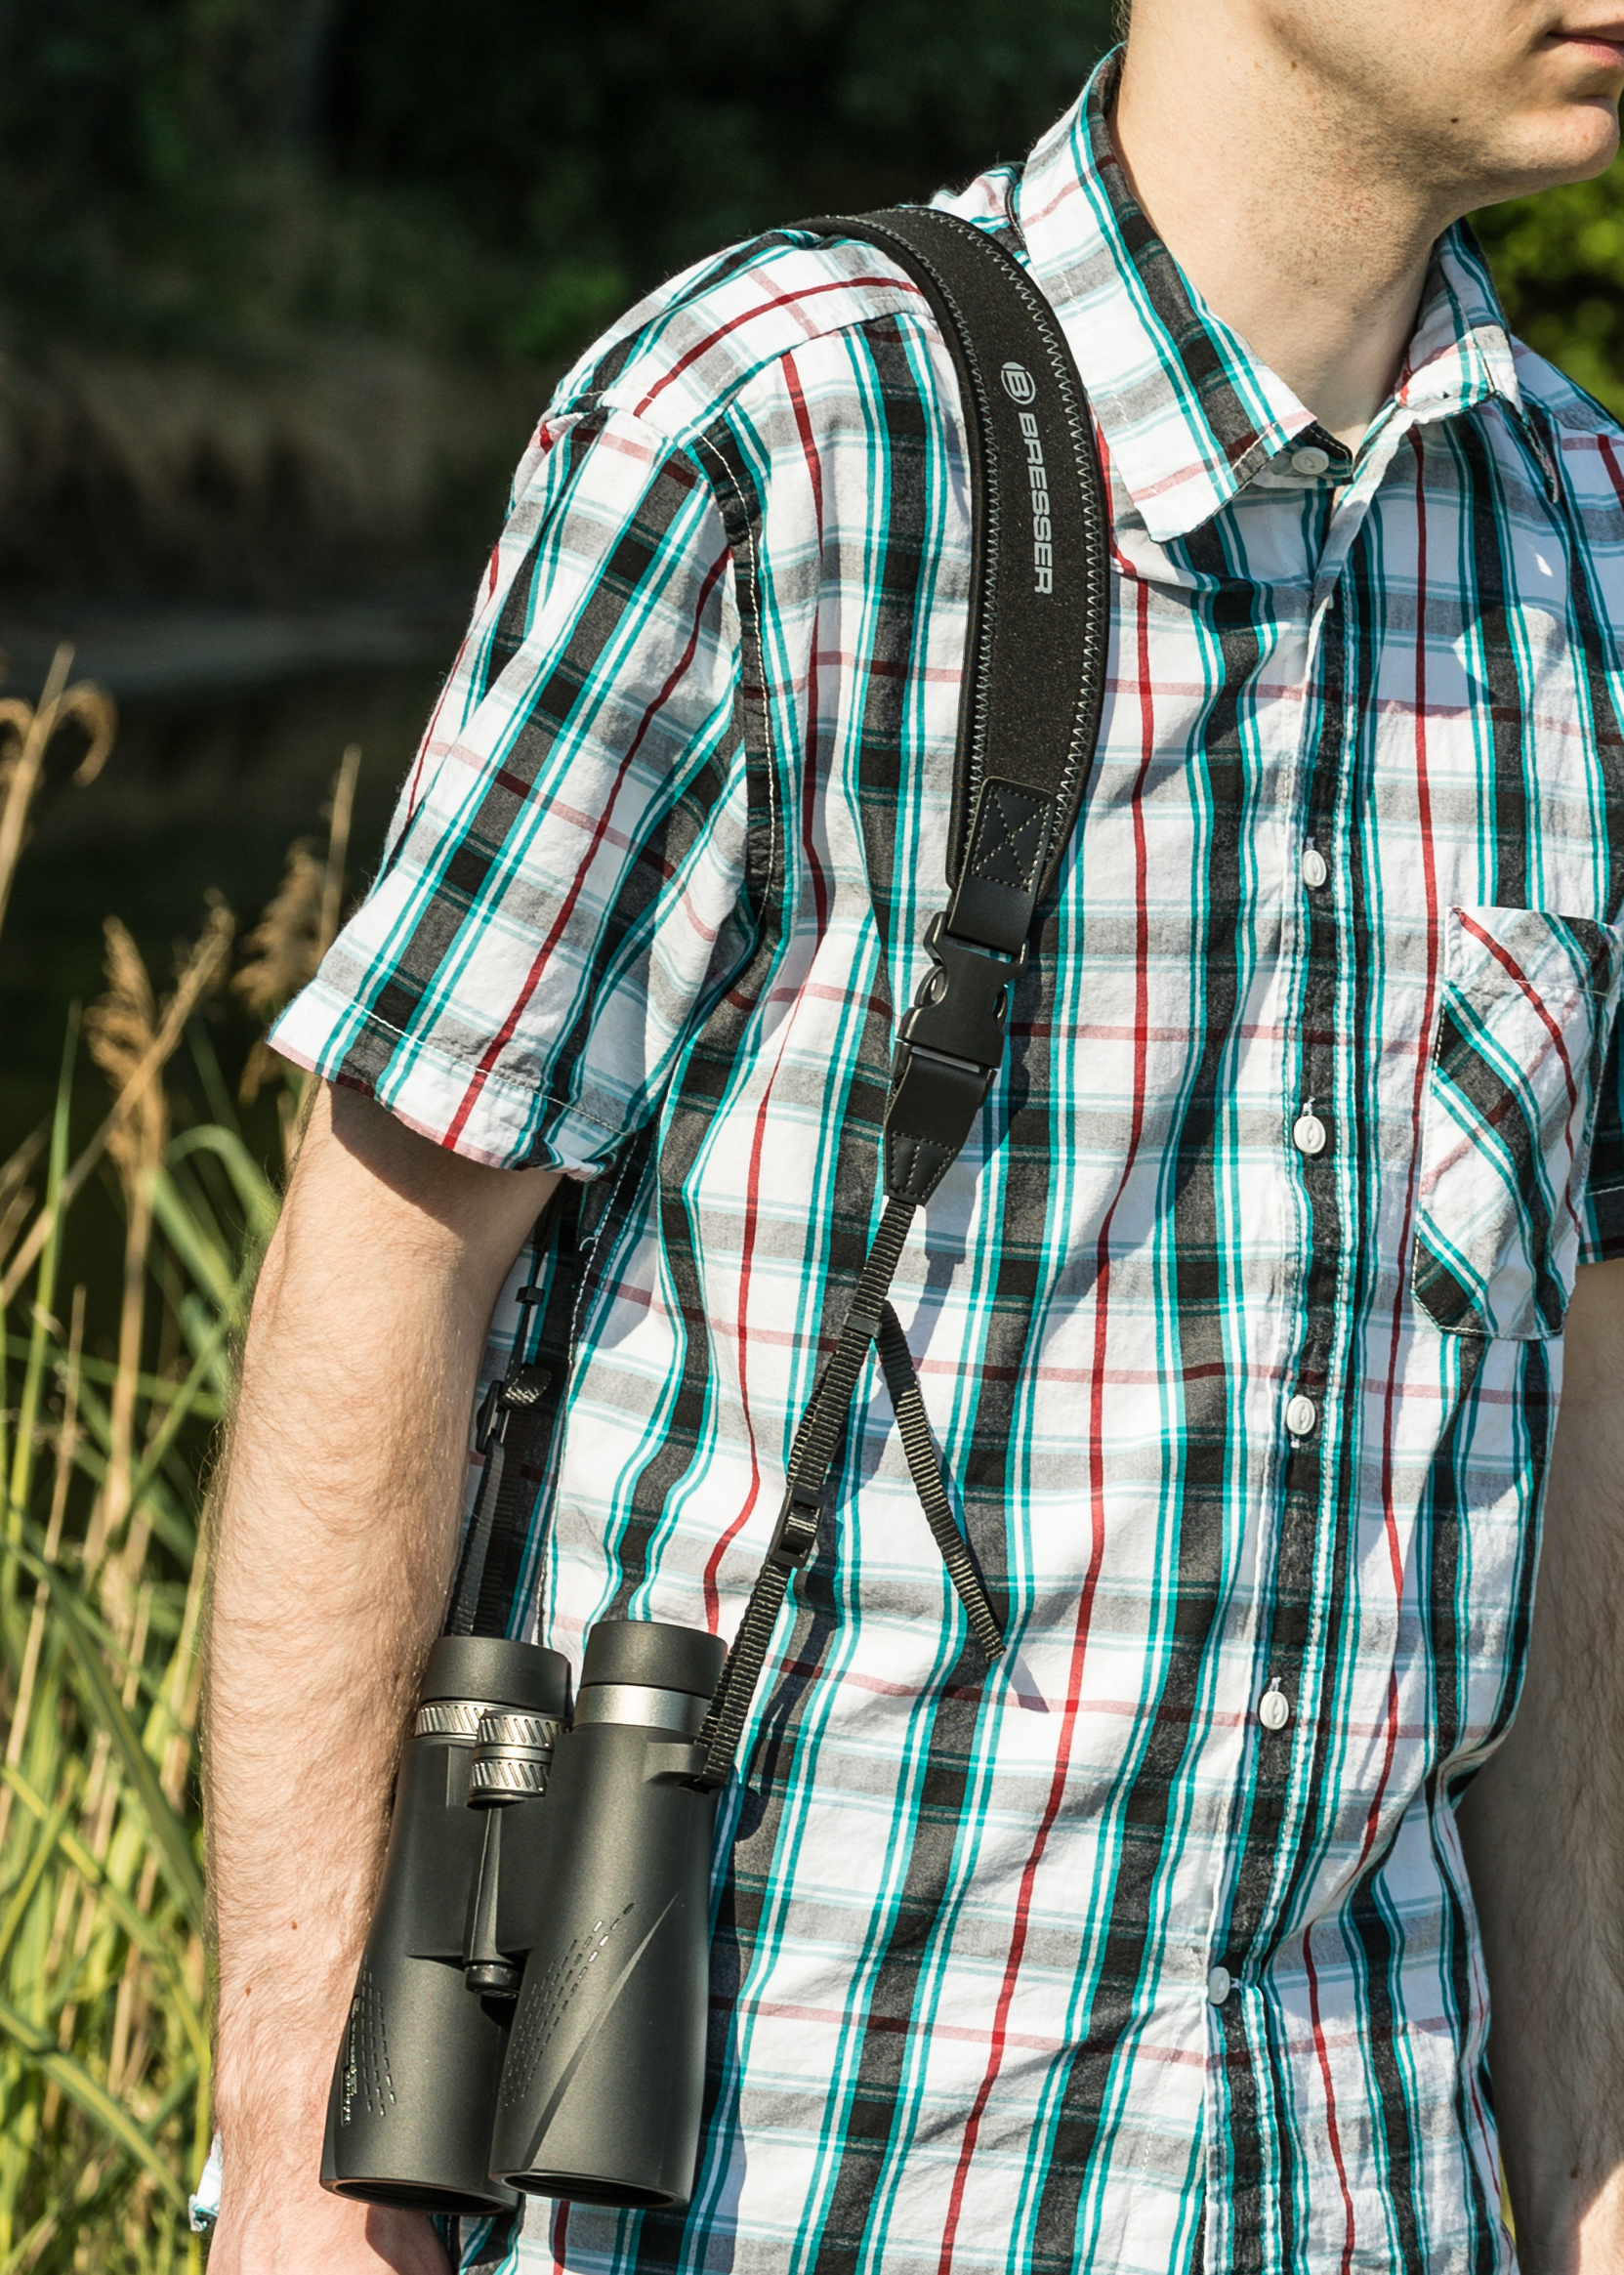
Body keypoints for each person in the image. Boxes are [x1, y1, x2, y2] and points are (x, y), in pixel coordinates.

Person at [203, 3, 1624, 2270]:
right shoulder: (772, 430)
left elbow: (1577, 1449)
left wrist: (1585, 2180)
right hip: (759, 2185)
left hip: (1369, 2188)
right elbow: (390, 1269)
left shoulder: (1590, 545)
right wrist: (298, 2183)